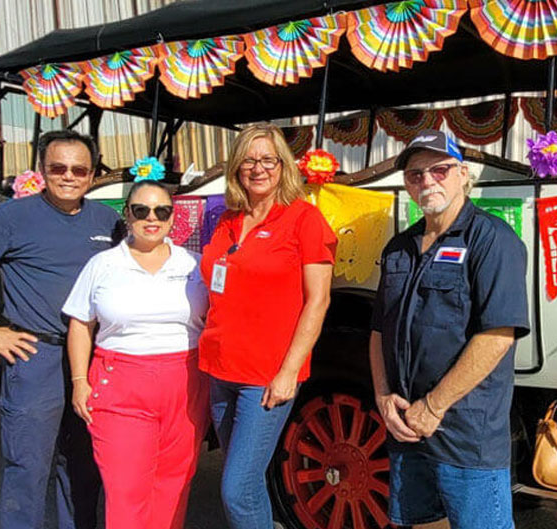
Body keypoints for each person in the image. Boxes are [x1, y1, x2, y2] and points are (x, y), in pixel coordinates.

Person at [0, 130, 118, 529]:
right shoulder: (10, 217)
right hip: (38, 357)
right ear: (42, 170)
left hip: (93, 358)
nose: (69, 176)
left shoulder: (108, 221)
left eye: (79, 168)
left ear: (92, 174)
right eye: (58, 168)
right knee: (28, 467)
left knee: (85, 466)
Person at [369, 130, 531, 529]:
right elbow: (378, 332)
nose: (427, 181)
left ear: (462, 173)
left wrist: (434, 406)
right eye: (415, 175)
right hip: (406, 426)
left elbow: (497, 336)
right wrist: (383, 395)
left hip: (464, 434)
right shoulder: (399, 247)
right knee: (421, 524)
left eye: (439, 170)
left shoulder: (491, 240)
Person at [199, 123, 337, 529]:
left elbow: (318, 301)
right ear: (237, 167)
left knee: (236, 488)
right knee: (246, 480)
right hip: (220, 369)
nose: (258, 168)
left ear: (283, 166)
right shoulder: (226, 221)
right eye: (248, 160)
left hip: (266, 376)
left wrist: (290, 371)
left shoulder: (304, 220)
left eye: (267, 160)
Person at [61, 181, 210, 529]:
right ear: (127, 215)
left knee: (173, 488)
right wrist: (79, 381)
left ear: (174, 218)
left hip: (185, 384)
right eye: (141, 210)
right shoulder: (104, 265)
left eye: (162, 211)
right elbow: (80, 324)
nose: (151, 218)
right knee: (127, 491)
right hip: (121, 385)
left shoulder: (194, 265)